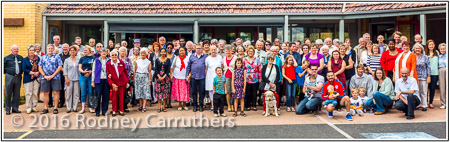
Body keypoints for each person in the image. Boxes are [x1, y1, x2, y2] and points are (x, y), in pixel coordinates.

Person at [38, 44, 63, 114]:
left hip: (55, 77)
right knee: (46, 93)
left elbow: (60, 67)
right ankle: (46, 108)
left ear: (54, 49)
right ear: (46, 49)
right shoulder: (43, 57)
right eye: (49, 48)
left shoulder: (57, 57)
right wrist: (44, 75)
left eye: (52, 48)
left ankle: (55, 108)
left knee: (56, 92)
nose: (50, 50)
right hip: (45, 77)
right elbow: (40, 67)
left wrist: (52, 76)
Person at [186, 43, 208, 112]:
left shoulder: (205, 56)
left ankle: (201, 105)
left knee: (202, 92)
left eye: (199, 48)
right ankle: (195, 106)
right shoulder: (192, 56)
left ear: (202, 49)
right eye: (197, 48)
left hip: (202, 77)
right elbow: (188, 66)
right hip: (193, 77)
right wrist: (187, 75)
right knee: (194, 92)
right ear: (195, 49)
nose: (198, 50)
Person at [107, 50, 129, 116]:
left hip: (122, 82)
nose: (114, 56)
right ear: (111, 56)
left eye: (115, 55)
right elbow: (108, 74)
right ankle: (114, 110)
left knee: (121, 97)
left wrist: (126, 81)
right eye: (112, 55)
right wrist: (112, 84)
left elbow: (125, 72)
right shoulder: (108, 64)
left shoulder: (121, 62)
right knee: (114, 98)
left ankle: (121, 110)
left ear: (117, 56)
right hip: (114, 83)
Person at [22, 45, 40, 114]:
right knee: (28, 93)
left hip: (36, 78)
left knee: (35, 93)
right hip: (28, 78)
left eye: (33, 50)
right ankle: (28, 107)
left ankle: (34, 106)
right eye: (30, 50)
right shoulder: (25, 59)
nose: (32, 51)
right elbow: (23, 69)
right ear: (28, 51)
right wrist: (32, 72)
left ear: (35, 51)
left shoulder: (38, 59)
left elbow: (40, 66)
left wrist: (38, 72)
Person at [133, 48, 152, 113]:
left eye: (144, 53)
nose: (143, 54)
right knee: (139, 92)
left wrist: (149, 80)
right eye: (142, 53)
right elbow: (135, 71)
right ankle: (140, 106)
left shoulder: (149, 62)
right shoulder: (137, 61)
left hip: (145, 77)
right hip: (138, 77)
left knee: (145, 92)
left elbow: (149, 72)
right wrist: (134, 79)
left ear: (146, 54)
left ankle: (144, 106)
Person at [205, 45, 223, 111]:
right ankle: (212, 106)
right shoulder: (207, 58)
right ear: (210, 50)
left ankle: (218, 106)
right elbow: (206, 69)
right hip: (210, 77)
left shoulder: (220, 57)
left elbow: (222, 66)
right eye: (212, 50)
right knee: (211, 91)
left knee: (218, 91)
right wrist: (205, 77)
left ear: (217, 50)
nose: (213, 51)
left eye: (214, 49)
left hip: (218, 77)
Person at [244, 46, 262, 111]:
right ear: (247, 52)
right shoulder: (244, 59)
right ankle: (248, 105)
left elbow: (259, 69)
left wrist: (260, 77)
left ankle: (254, 105)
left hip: (255, 78)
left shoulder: (257, 59)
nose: (250, 52)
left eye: (252, 51)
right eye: (249, 51)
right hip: (247, 78)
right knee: (248, 93)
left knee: (254, 92)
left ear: (253, 52)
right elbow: (243, 69)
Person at [413, 43, 430, 111]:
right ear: (414, 49)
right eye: (416, 48)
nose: (417, 49)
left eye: (419, 48)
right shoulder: (412, 56)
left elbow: (428, 67)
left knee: (423, 91)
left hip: (423, 76)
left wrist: (429, 76)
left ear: (421, 49)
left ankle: (424, 105)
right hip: (414, 77)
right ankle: (417, 104)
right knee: (416, 91)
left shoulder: (425, 57)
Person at [153, 48, 171, 113]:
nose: (163, 53)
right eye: (162, 52)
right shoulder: (157, 60)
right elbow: (156, 69)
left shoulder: (168, 60)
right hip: (158, 78)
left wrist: (164, 77)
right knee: (159, 93)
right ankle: (159, 107)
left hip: (166, 78)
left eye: (164, 52)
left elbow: (168, 69)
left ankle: (163, 106)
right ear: (160, 53)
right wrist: (159, 77)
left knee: (165, 93)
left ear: (166, 53)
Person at [78, 46, 94, 114]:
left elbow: (96, 67)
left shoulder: (94, 58)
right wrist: (83, 72)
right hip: (83, 77)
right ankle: (83, 108)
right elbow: (79, 68)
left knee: (91, 92)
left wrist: (91, 72)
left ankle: (90, 107)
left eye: (86, 50)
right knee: (83, 92)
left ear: (90, 50)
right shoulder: (82, 58)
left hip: (91, 77)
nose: (85, 51)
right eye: (84, 50)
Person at [63, 46, 80, 113]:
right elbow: (65, 70)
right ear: (69, 52)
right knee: (69, 94)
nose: (72, 51)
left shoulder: (79, 59)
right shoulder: (67, 60)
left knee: (76, 94)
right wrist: (66, 79)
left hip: (77, 79)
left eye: (73, 50)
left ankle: (75, 107)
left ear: (76, 51)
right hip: (69, 79)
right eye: (71, 50)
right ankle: (68, 107)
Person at [118, 47, 134, 112]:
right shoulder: (116, 59)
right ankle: (118, 107)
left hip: (126, 80)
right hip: (118, 80)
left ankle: (125, 107)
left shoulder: (128, 60)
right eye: (122, 51)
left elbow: (131, 69)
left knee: (126, 94)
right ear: (119, 52)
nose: (123, 52)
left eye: (124, 51)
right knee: (118, 94)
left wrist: (129, 76)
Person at [425, 40, 439, 109]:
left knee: (432, 88)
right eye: (430, 45)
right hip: (426, 74)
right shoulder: (425, 53)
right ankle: (425, 102)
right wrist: (427, 57)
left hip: (435, 73)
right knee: (425, 89)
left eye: (432, 44)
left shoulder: (437, 53)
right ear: (427, 46)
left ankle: (430, 102)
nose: (431, 46)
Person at [223, 44, 237, 112]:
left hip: (234, 76)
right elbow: (222, 67)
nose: (227, 53)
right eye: (226, 52)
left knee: (233, 91)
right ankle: (228, 105)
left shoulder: (235, 58)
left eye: (229, 51)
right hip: (226, 76)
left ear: (231, 51)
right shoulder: (223, 58)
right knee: (228, 91)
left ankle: (233, 105)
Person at [58, 43, 70, 108]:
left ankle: (69, 102)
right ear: (62, 48)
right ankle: (61, 102)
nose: (65, 48)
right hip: (61, 74)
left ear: (68, 48)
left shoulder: (71, 55)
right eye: (64, 47)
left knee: (69, 89)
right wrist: (63, 70)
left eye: (66, 47)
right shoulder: (59, 56)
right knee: (61, 89)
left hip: (70, 74)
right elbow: (59, 65)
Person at [438, 43, 447, 109]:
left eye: (444, 49)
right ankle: (443, 103)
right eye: (441, 49)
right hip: (441, 71)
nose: (442, 50)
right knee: (442, 87)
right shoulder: (439, 56)